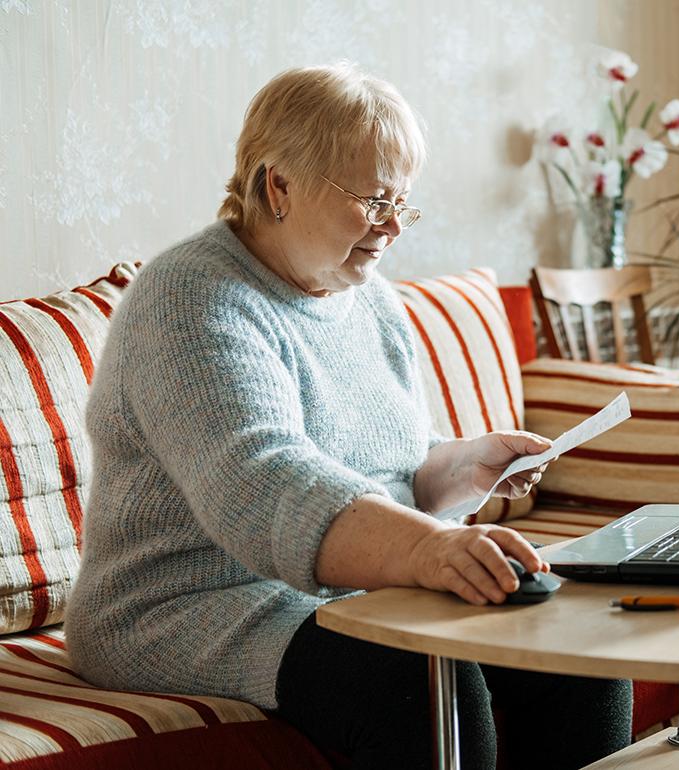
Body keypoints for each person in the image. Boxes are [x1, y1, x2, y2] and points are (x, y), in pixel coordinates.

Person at [66, 62, 632, 769]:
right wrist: (427, 549)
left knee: (574, 650)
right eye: (373, 200)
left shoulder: (371, 300)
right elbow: (263, 484)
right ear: (279, 186)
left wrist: (463, 465)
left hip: (341, 590)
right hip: (191, 605)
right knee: (417, 686)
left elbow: (391, 469)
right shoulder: (190, 298)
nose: (394, 226)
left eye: (404, 203)